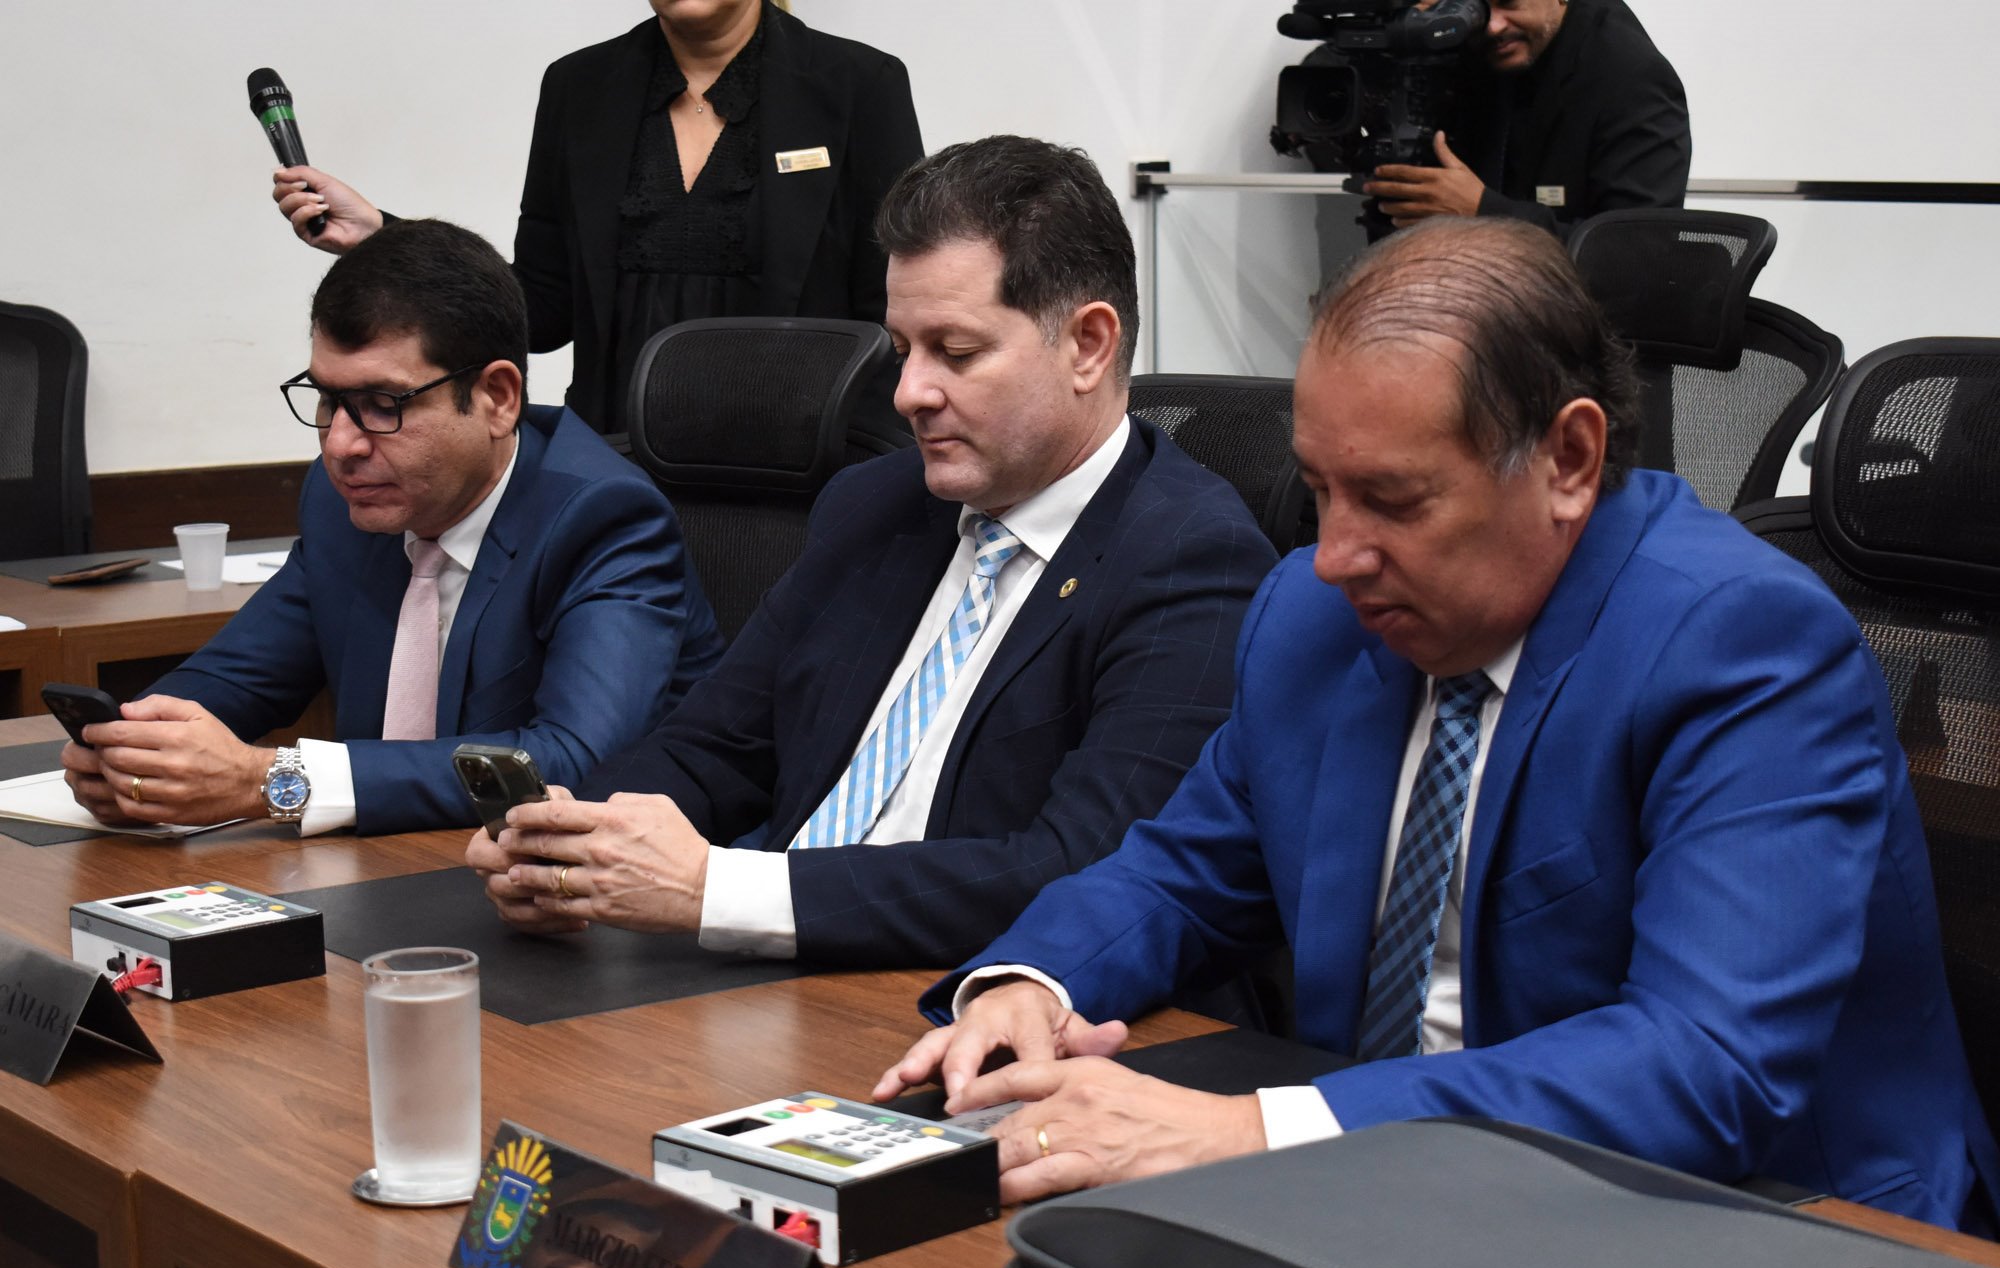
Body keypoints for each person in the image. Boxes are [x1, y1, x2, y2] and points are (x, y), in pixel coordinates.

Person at [873, 215, 2000, 1236]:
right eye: (1319, 490)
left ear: (1567, 460)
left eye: (1392, 499)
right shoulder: (1313, 616)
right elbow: (1181, 873)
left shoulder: (1741, 643)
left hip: (1763, 1223)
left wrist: (1251, 1130)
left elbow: (1703, 1065)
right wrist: (1033, 985)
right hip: (1392, 1200)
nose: (1333, 554)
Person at [466, 136, 1277, 969]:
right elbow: (714, 747)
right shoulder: (877, 503)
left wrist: (716, 889)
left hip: (972, 997)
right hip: (766, 985)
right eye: (901, 350)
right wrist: (570, 837)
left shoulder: (1192, 559)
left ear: (1089, 345)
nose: (908, 392)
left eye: (955, 353)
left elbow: (1080, 871)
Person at [61, 220, 726, 836]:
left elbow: (570, 760)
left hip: (586, 889)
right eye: (328, 399)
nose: (341, 445)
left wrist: (274, 780)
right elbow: (239, 678)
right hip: (392, 868)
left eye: (382, 405)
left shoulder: (603, 519)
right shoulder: (347, 502)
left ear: (497, 398)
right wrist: (134, 747)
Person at [272, 0, 924, 436]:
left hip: (802, 470)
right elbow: (541, 310)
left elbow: (895, 310)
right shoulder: (579, 87)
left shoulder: (860, 84)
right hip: (618, 465)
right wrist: (382, 236)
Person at [1360, 0, 1690, 236]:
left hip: (1581, 308)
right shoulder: (1471, 44)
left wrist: (1485, 213)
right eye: (1477, 7)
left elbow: (1639, 252)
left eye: (1509, 3)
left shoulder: (1630, 77)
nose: (1493, 26)